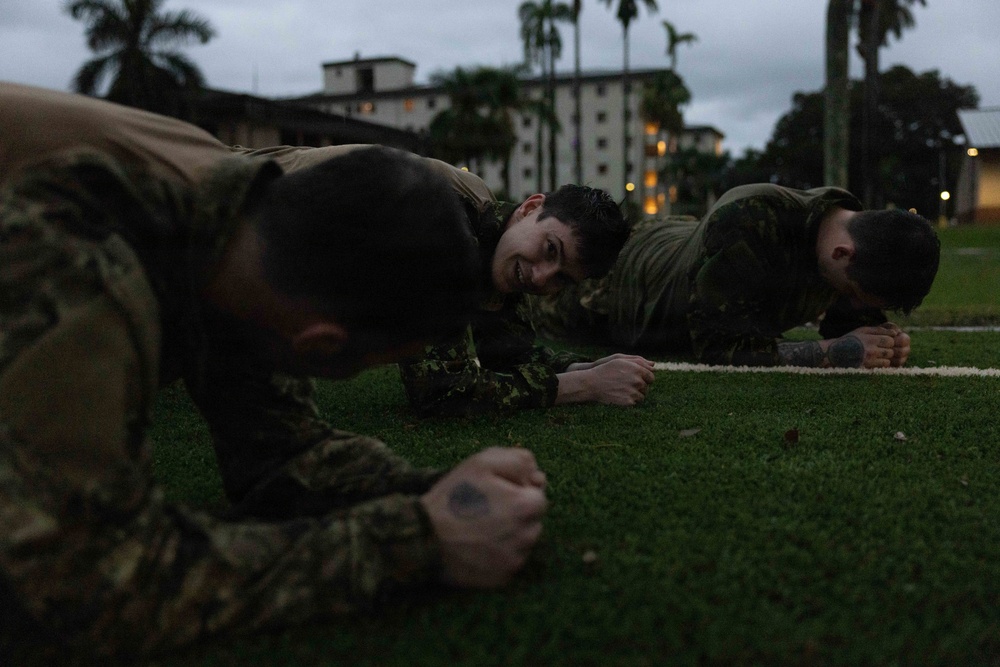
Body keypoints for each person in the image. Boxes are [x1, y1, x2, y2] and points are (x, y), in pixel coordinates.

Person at [0, 85, 548, 659]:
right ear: (321, 348)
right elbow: (88, 584)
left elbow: (279, 454)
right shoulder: (73, 267)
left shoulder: (240, 233)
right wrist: (415, 541)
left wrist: (438, 493)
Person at [236, 143, 657, 417]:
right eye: (550, 250)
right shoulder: (448, 224)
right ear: (530, 208)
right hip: (227, 207)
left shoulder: (497, 239)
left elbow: (506, 352)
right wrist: (584, 386)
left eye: (562, 279)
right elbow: (442, 390)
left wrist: (585, 366)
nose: (542, 276)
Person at [526, 183, 941, 368]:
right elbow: (718, 345)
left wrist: (885, 340)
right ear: (841, 255)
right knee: (533, 303)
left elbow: (846, 321)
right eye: (853, 293)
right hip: (624, 281)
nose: (853, 305)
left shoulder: (857, 237)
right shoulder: (749, 222)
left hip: (694, 244)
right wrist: (837, 352)